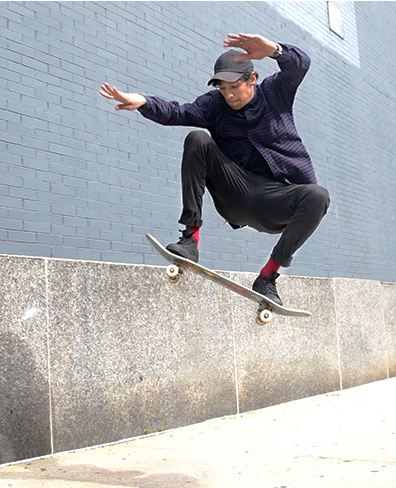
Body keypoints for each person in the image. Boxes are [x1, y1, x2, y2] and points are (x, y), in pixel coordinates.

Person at [99, 33, 329, 306]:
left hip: (276, 201)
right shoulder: (214, 105)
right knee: (198, 139)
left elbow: (300, 65)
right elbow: (177, 112)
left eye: (234, 87)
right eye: (223, 88)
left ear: (252, 79)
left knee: (318, 196)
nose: (229, 95)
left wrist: (274, 50)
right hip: (236, 195)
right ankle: (190, 239)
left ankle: (268, 277)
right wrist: (143, 102)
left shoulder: (274, 93)